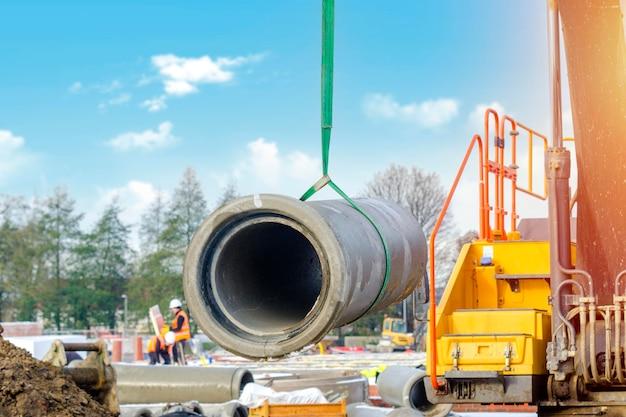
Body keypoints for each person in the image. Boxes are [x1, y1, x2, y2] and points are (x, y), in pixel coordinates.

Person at [169, 298, 191, 365]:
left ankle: (180, 363)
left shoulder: (181, 315)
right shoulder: (179, 315)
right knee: (175, 350)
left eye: (172, 309)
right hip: (180, 337)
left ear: (176, 308)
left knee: (178, 351)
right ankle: (180, 362)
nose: (172, 310)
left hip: (182, 337)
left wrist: (171, 330)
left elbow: (178, 328)